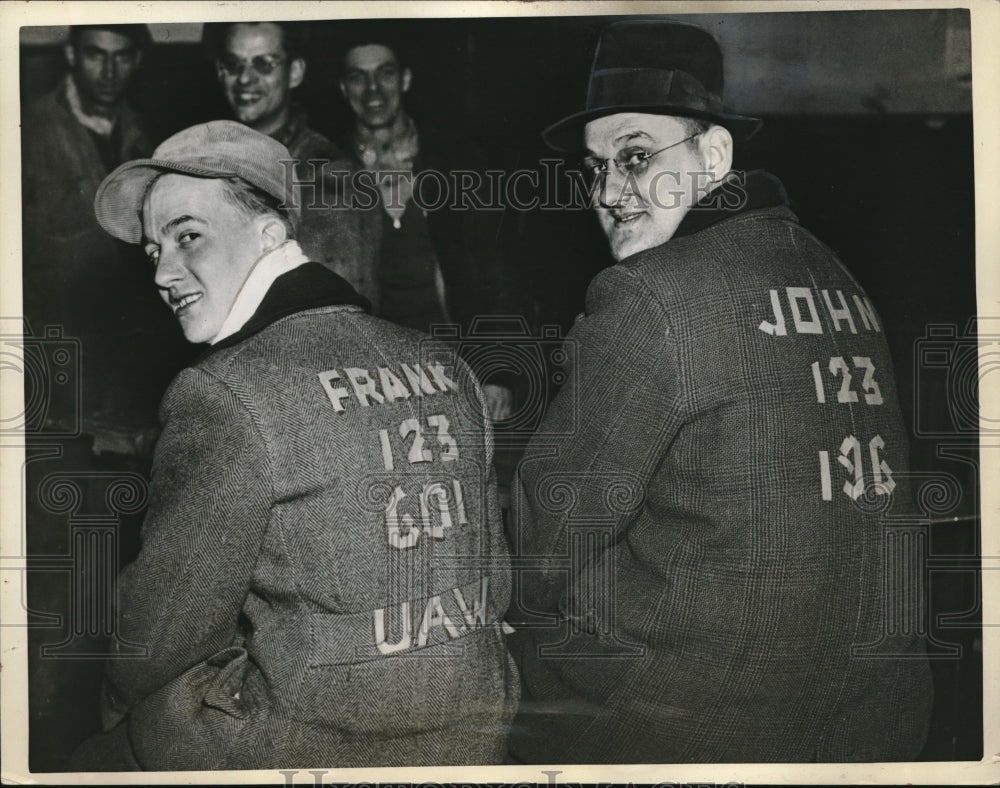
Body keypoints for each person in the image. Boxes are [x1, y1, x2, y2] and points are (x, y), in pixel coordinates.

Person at [507, 20, 933, 763]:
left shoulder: (650, 296)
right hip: (876, 716)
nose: (609, 189)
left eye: (636, 156)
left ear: (714, 155)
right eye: (594, 165)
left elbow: (547, 545)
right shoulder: (836, 274)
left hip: (701, 723)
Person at [70, 121, 518, 770]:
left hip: (319, 744)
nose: (165, 271)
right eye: (152, 250)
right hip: (480, 731)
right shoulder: (445, 364)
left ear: (270, 234)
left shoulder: (225, 391)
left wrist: (111, 723)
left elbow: (160, 634)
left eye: (188, 235)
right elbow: (493, 583)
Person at [20, 24, 191, 771]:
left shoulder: (145, 142)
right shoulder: (25, 134)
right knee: (59, 598)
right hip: (54, 414)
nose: (110, 69)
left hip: (131, 415)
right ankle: (44, 748)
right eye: (96, 52)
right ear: (69, 55)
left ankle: (101, 747)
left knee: (125, 597)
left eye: (126, 55)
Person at [336, 31, 519, 423]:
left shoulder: (456, 158)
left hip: (454, 365)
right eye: (357, 76)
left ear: (404, 79)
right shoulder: (329, 170)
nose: (373, 90)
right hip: (370, 379)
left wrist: (496, 370)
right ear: (343, 87)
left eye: (385, 73)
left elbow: (495, 270)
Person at [204, 21, 372, 287]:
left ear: (295, 72)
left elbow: (333, 302)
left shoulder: (325, 170)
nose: (245, 79)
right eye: (234, 64)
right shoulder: (209, 158)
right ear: (220, 72)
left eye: (264, 64)